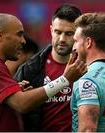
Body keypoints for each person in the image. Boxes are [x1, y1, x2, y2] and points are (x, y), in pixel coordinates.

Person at [0, 13, 87, 132]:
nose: (23, 41)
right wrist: (64, 80)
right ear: (0, 36)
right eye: (19, 34)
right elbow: (21, 104)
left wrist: (14, 89)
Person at [15, 3, 82, 132]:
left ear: (79, 34)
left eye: (69, 33)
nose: (62, 39)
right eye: (58, 32)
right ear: (51, 30)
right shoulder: (30, 70)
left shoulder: (89, 67)